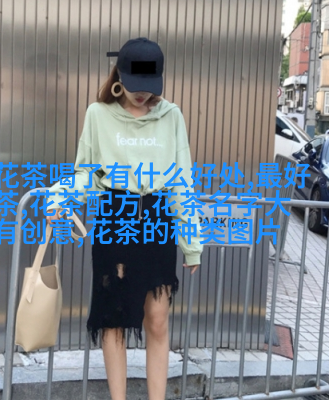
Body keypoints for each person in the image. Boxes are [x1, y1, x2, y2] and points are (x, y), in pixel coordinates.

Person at [46, 37, 203, 400]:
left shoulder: (171, 116)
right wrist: (61, 197)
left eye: (150, 87)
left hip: (157, 222)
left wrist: (191, 243)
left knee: (157, 320)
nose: (143, 95)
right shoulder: (98, 114)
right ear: (119, 75)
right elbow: (86, 173)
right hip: (116, 220)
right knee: (114, 321)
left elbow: (182, 180)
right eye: (135, 86)